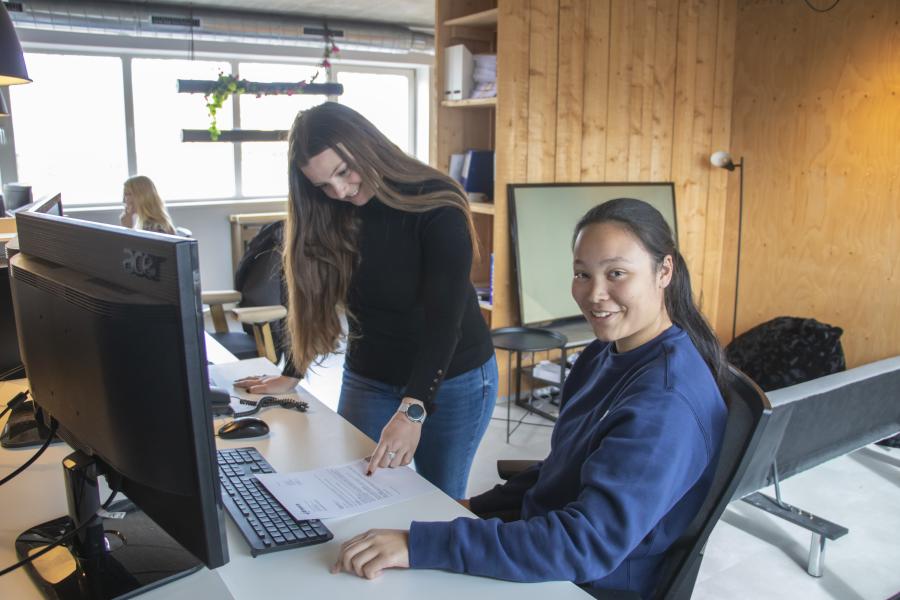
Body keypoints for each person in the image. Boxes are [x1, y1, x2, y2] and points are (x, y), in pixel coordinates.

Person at [330, 198, 729, 598]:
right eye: (582, 274)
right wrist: (470, 508)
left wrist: (422, 545)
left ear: (665, 271)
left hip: (583, 583)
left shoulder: (665, 403)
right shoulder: (603, 354)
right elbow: (561, 469)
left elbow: (582, 546)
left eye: (617, 273)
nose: (595, 294)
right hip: (547, 554)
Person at [234, 102, 497, 500]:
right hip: (370, 374)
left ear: (367, 146)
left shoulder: (436, 202)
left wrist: (413, 410)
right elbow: (311, 299)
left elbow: (445, 320)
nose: (339, 191)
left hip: (453, 376)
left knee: (437, 500)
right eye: (323, 184)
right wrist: (293, 370)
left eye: (343, 172)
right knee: (358, 488)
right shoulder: (328, 210)